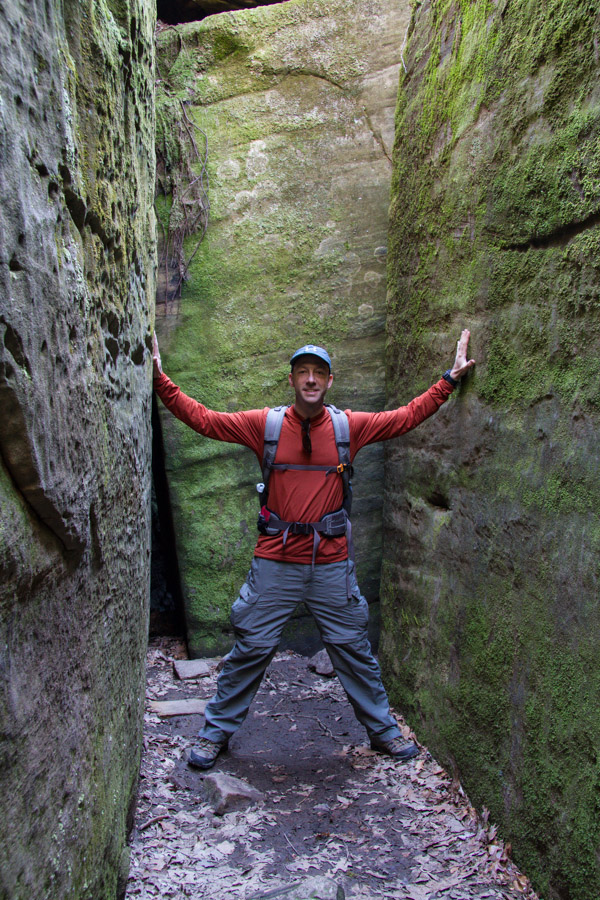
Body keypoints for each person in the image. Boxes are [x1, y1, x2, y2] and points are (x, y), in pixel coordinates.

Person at [152, 330, 475, 769]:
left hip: (331, 563)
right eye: (302, 372)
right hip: (275, 560)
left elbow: (403, 418)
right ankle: (214, 734)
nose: (310, 379)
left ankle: (383, 731)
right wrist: (161, 380)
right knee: (251, 647)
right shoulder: (265, 425)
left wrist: (448, 380)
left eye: (318, 373)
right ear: (291, 380)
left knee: (352, 647)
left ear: (329, 381)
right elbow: (205, 420)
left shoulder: (347, 427)